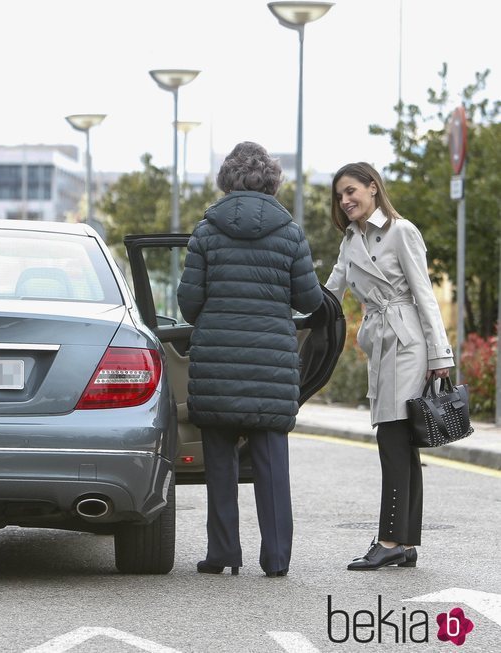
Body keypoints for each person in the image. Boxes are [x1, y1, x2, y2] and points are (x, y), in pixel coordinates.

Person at [178, 141, 323, 578]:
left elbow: (188, 305)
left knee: (219, 463)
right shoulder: (290, 233)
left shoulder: (206, 232)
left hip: (218, 362)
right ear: (273, 181)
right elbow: (310, 301)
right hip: (270, 366)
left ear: (227, 180)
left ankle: (222, 553)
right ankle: (276, 558)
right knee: (271, 465)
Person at [325, 162, 453, 571]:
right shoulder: (350, 240)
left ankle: (390, 539)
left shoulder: (402, 231)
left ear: (373, 188)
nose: (345, 201)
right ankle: (405, 542)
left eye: (351, 191)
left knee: (394, 438)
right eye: (340, 195)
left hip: (406, 340)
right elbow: (329, 293)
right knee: (399, 439)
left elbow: (424, 296)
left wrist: (440, 355)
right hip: (380, 342)